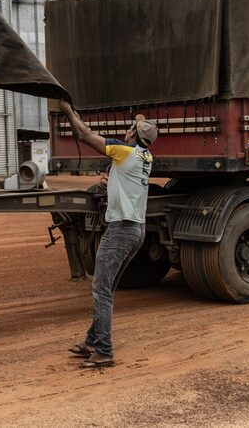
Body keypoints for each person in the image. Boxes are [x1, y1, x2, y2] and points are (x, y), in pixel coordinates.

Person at [59, 99, 157, 369]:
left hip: (121, 230)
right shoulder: (145, 156)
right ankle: (93, 340)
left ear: (134, 135)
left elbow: (84, 135)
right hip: (136, 229)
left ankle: (104, 350)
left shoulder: (123, 151)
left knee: (101, 289)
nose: (127, 130)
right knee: (107, 288)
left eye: (131, 128)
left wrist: (68, 111)